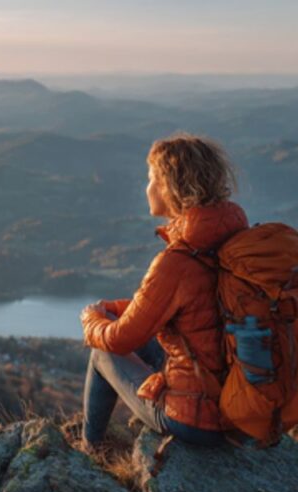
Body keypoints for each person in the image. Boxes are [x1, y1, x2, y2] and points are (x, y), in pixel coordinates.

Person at [79, 133, 249, 448]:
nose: (146, 188)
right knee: (139, 340)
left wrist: (91, 319)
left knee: (103, 351)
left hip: (197, 420)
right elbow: (198, 309)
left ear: (169, 187)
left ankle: (90, 449)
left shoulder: (178, 260)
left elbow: (119, 340)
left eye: (151, 179)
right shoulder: (235, 238)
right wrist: (121, 309)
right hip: (240, 406)